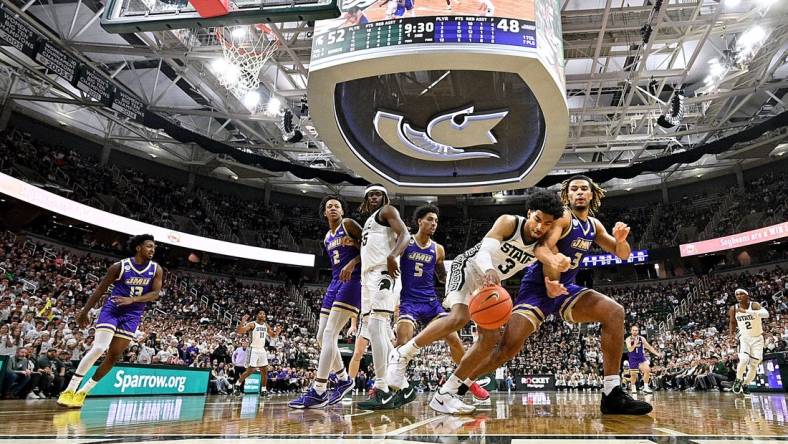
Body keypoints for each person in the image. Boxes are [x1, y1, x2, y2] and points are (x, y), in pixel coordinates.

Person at [458, 175, 653, 415]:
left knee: (615, 312)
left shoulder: (594, 225)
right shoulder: (563, 217)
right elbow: (542, 247)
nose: (579, 192)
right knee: (506, 349)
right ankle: (460, 385)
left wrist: (621, 241)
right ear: (567, 196)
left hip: (565, 289)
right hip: (537, 289)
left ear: (592, 195)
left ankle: (611, 393)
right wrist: (551, 278)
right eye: (574, 189)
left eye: (584, 189)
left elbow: (622, 255)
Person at [387, 189, 569, 413]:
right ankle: (403, 353)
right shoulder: (509, 222)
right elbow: (484, 252)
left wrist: (553, 278)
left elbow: (549, 264)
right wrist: (490, 270)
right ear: (529, 213)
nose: (540, 227)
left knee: (489, 340)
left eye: (547, 224)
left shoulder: (543, 245)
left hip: (489, 286)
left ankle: (447, 394)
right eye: (537, 219)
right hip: (468, 268)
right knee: (459, 317)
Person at [394, 205, 488, 403]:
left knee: (454, 340)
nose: (434, 224)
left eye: (436, 221)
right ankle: (393, 386)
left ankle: (469, 382)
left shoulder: (438, 249)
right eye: (430, 219)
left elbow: (442, 277)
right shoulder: (404, 242)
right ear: (419, 221)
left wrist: (464, 283)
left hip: (431, 303)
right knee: (403, 343)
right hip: (408, 301)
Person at [57, 234, 163, 408]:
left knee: (114, 355)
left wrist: (133, 300)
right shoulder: (120, 266)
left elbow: (155, 294)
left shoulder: (156, 269)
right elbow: (100, 289)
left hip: (133, 315)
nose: (153, 249)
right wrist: (84, 312)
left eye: (154, 247)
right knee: (99, 347)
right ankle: (70, 390)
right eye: (149, 246)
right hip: (113, 310)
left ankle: (83, 392)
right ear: (138, 248)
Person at [290, 195, 362, 408]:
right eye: (329, 206)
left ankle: (319, 390)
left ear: (342, 211)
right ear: (324, 213)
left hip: (354, 280)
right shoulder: (327, 237)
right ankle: (343, 379)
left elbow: (371, 249)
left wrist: (354, 261)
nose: (333, 209)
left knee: (331, 334)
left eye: (337, 206)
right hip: (334, 282)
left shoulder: (348, 225)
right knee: (322, 337)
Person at [345, 184, 410, 410]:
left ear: (384, 197)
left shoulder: (387, 211)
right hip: (367, 277)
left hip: (384, 272)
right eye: (370, 194)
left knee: (376, 327)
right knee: (376, 331)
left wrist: (393, 256)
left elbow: (405, 234)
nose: (374, 197)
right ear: (365, 199)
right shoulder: (369, 224)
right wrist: (352, 259)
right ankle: (403, 384)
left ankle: (382, 388)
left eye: (378, 194)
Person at [729, 288, 769, 396]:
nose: (738, 296)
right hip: (744, 338)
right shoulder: (733, 308)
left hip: (757, 339)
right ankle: (738, 380)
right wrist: (731, 334)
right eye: (736, 294)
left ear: (747, 295)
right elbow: (732, 322)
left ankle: (745, 383)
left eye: (741, 294)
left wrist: (747, 311)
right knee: (744, 359)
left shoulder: (754, 305)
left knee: (754, 365)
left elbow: (766, 314)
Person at [234, 309, 281, 397]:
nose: (263, 315)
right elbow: (240, 331)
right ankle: (237, 385)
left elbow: (273, 335)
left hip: (262, 349)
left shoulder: (266, 325)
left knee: (264, 371)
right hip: (253, 349)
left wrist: (277, 332)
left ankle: (263, 390)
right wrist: (242, 321)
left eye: (264, 313)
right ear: (257, 315)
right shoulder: (252, 324)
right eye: (261, 313)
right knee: (251, 370)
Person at [625, 325, 663, 394]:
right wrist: (635, 344)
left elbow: (649, 347)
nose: (634, 332)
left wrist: (657, 353)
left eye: (636, 330)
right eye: (633, 330)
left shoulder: (641, 338)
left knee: (647, 370)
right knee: (633, 375)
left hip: (641, 358)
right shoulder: (628, 339)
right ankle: (633, 387)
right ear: (631, 331)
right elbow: (630, 349)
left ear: (638, 331)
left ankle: (645, 387)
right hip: (633, 358)